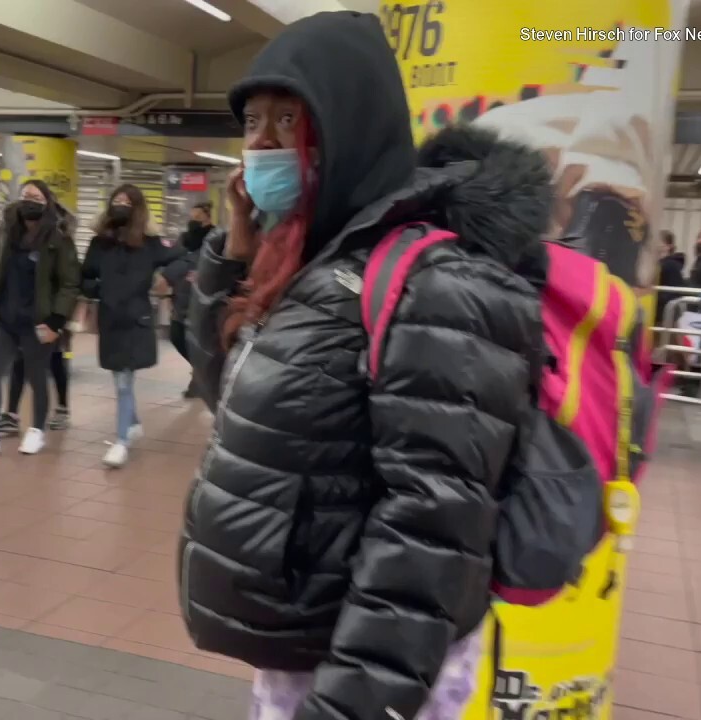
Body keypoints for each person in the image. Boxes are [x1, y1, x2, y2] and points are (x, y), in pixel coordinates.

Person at [179, 12, 547, 720]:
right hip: (309, 643)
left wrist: (348, 705)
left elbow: (431, 532)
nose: (260, 146)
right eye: (251, 123)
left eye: (287, 121)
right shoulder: (313, 265)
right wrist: (235, 249)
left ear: (345, 127)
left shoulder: (434, 286)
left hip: (363, 675)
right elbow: (222, 390)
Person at [0, 180, 80, 457]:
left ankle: (37, 430)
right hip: (5, 317)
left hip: (39, 321)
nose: (30, 200)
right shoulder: (6, 230)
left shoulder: (58, 237)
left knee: (37, 375)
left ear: (47, 202)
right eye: (26, 195)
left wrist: (56, 321)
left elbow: (70, 283)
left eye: (37, 197)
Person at [80, 184, 183, 468]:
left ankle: (121, 441)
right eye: (116, 200)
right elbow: (85, 276)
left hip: (137, 321)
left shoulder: (151, 244)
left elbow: (184, 257)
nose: (120, 205)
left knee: (124, 382)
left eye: (127, 202)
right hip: (111, 320)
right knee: (120, 379)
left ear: (137, 209)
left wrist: (167, 279)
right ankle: (133, 423)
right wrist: (97, 288)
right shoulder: (99, 243)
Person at [0, 203, 77, 434]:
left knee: (55, 358)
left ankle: (61, 409)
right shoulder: (19, 238)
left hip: (52, 315)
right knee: (20, 358)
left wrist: (59, 316)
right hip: (23, 312)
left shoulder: (60, 240)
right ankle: (11, 414)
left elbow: (69, 281)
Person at [161, 200, 223, 398]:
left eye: (197, 216)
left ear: (207, 215)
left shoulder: (217, 237)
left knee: (200, 340)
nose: (193, 220)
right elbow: (173, 259)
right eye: (192, 216)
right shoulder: (185, 238)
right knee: (176, 335)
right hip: (182, 295)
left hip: (204, 297)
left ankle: (201, 377)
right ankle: (200, 372)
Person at [656, 229, 686, 322]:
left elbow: (675, 289)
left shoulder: (671, 265)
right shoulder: (656, 264)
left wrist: (656, 298)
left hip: (664, 313)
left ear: (668, 246)